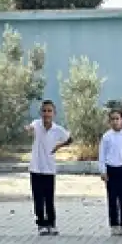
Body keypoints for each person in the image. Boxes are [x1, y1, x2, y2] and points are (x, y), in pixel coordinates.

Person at [25, 99, 72, 236]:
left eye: (49, 111)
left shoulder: (58, 129)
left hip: (49, 168)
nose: (47, 114)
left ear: (54, 113)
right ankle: (41, 224)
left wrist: (59, 146)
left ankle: (52, 223)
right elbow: (30, 128)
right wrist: (28, 130)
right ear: (41, 112)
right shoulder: (37, 124)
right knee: (38, 197)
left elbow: (70, 139)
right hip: (36, 167)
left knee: (49, 198)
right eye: (44, 111)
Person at [98, 109, 122, 235]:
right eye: (113, 119)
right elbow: (102, 155)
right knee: (112, 198)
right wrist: (103, 171)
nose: (115, 122)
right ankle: (114, 224)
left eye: (117, 119)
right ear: (109, 121)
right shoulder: (107, 136)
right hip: (111, 170)